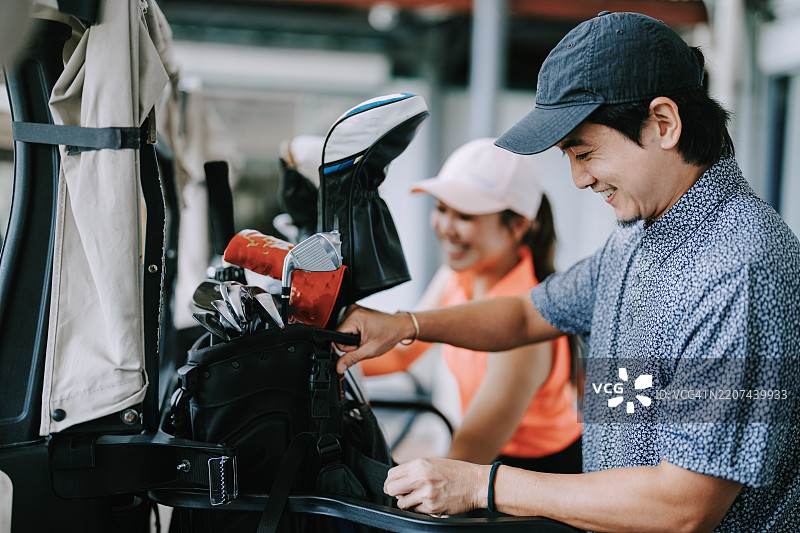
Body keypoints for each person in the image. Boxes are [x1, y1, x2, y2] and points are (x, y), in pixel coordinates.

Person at [335, 11, 800, 533]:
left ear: (663, 124)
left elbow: (686, 504)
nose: (579, 180)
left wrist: (484, 484)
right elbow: (526, 314)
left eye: (586, 152)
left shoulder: (739, 271)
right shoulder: (641, 236)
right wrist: (405, 326)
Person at [360, 137, 582, 474]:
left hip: (536, 476)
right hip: (489, 460)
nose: (445, 227)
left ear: (518, 225)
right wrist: (330, 354)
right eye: (441, 208)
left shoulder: (525, 318)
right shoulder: (455, 275)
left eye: (465, 215)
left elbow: (468, 455)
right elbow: (402, 351)